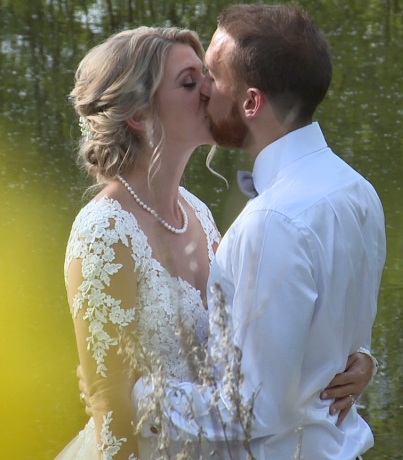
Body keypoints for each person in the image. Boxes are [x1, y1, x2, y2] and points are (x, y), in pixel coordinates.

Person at [56, 27, 375, 460]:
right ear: (139, 113)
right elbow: (110, 414)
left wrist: (351, 355)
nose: (210, 90)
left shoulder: (199, 215)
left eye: (206, 75)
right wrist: (113, 389)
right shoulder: (104, 232)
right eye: (190, 82)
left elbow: (263, 329)